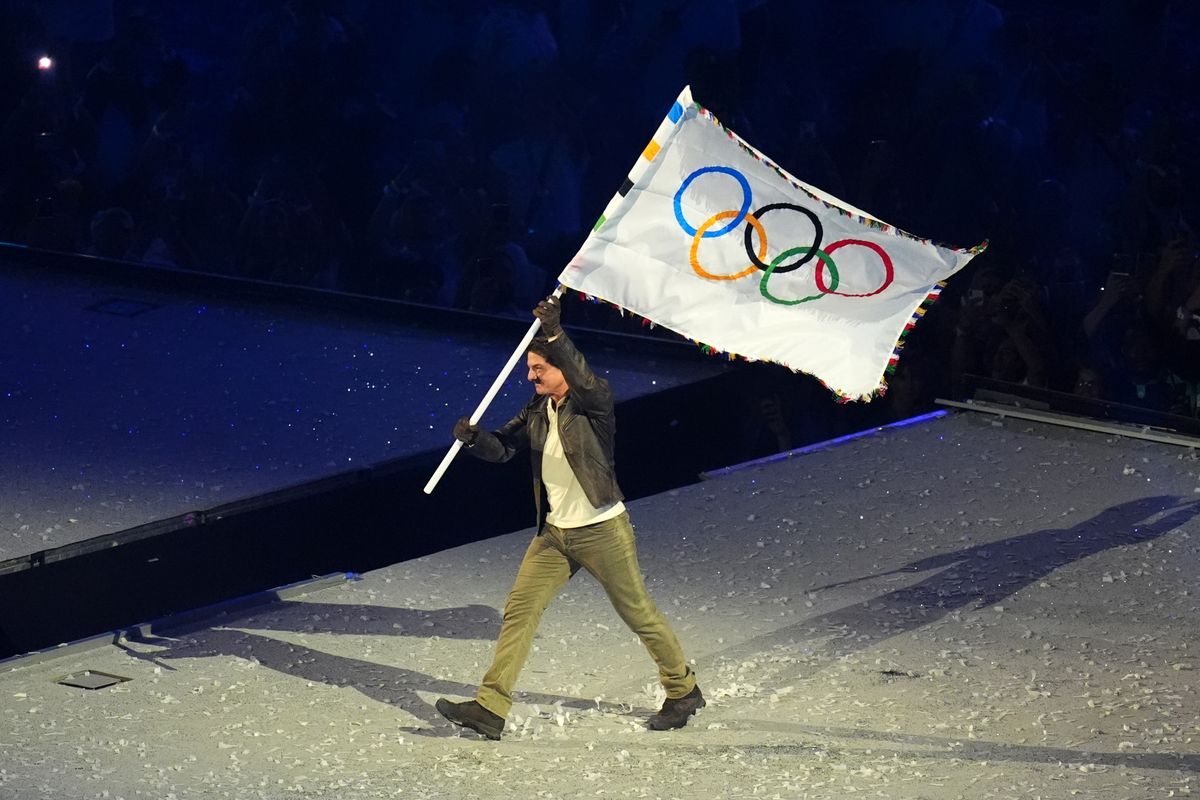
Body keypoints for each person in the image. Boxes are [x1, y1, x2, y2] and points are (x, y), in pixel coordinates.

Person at [435, 294, 703, 739]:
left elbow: (584, 376)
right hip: (556, 534)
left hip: (602, 530)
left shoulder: (593, 404)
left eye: (539, 368)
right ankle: (491, 707)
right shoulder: (538, 409)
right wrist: (473, 439)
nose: (531, 375)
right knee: (519, 612)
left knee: (637, 611)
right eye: (529, 368)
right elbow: (503, 448)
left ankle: (683, 689)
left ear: (561, 366)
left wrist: (557, 332)